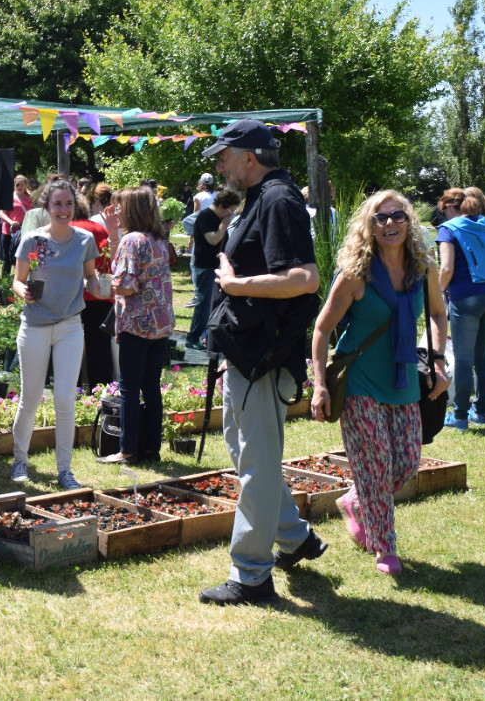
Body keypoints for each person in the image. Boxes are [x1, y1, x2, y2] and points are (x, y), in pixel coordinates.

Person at [196, 119, 326, 607]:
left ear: (249, 156)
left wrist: (235, 287)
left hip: (263, 356)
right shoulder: (264, 197)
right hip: (247, 353)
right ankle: (294, 538)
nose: (219, 165)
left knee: (255, 461)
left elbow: (304, 278)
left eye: (223, 156)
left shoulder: (278, 200)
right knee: (245, 450)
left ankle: (251, 575)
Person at [311, 191, 449, 574]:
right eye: (380, 218)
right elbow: (322, 329)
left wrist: (438, 361)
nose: (390, 224)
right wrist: (320, 384)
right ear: (368, 227)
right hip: (360, 382)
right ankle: (384, 547)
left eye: (397, 216)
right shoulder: (357, 274)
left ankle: (355, 501)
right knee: (375, 465)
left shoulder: (424, 269)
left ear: (410, 221)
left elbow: (438, 314)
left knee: (406, 462)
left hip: (403, 378)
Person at [8, 180, 100, 489]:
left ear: (76, 207)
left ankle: (65, 470)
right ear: (47, 208)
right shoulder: (33, 240)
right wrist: (25, 293)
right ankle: (19, 460)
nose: (63, 209)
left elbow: (90, 277)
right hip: (34, 326)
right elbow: (17, 281)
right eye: (57, 204)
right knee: (31, 398)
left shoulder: (85, 239)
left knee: (64, 399)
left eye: (68, 204)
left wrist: (100, 285)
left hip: (70, 326)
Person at [97, 186, 175, 465]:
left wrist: (100, 284)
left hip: (137, 324)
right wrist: (113, 234)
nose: (115, 211)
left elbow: (127, 285)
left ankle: (127, 450)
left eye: (119, 207)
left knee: (129, 388)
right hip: (160, 324)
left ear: (132, 210)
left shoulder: (133, 240)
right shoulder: (158, 238)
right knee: (151, 387)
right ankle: (152, 449)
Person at [436, 188, 485, 430]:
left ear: (457, 209)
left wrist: (437, 292)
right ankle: (481, 413)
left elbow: (446, 269)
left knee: (464, 360)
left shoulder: (449, 229)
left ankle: (460, 417)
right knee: (483, 359)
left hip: (465, 297)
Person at [184, 188, 241, 350]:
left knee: (215, 304)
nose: (233, 213)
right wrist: (224, 225)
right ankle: (193, 337)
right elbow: (213, 239)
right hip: (206, 266)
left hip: (216, 266)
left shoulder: (218, 218)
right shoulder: (206, 216)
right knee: (204, 303)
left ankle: (207, 337)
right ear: (224, 205)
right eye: (232, 209)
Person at [71, 193, 117, 388]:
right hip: (101, 293)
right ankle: (101, 389)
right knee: (99, 346)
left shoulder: (68, 230)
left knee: (69, 345)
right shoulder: (100, 229)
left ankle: (73, 388)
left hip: (73, 295)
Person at [0, 175, 30, 275]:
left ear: (26, 185)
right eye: (17, 185)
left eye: (22, 184)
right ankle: (4, 283)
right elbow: (2, 213)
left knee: (22, 258)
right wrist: (10, 221)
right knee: (7, 258)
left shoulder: (31, 198)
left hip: (24, 231)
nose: (20, 186)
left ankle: (20, 280)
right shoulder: (9, 197)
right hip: (9, 232)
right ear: (14, 186)